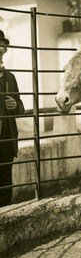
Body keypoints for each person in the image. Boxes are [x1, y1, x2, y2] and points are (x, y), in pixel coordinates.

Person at [0, 30, 25, 207]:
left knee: (6, 176)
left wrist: (14, 105)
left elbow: (21, 106)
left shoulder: (10, 77)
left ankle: (7, 214)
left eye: (2, 48)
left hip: (8, 137)